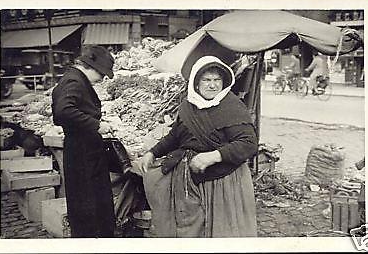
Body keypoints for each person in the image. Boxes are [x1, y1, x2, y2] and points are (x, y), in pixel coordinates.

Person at [138, 55, 258, 237]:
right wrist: (153, 153)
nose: (212, 85)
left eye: (217, 80)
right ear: (196, 82)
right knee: (191, 227)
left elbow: (248, 144)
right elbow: (176, 136)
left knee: (221, 231)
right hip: (190, 178)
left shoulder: (232, 107)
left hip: (223, 181)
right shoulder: (188, 106)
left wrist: (213, 156)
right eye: (206, 80)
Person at [51, 45, 116, 238]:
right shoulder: (74, 81)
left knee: (89, 200)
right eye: (102, 74)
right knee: (86, 202)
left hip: (83, 149)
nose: (102, 79)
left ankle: (94, 236)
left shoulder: (74, 79)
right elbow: (63, 111)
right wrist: (96, 125)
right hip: (82, 152)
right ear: (90, 66)